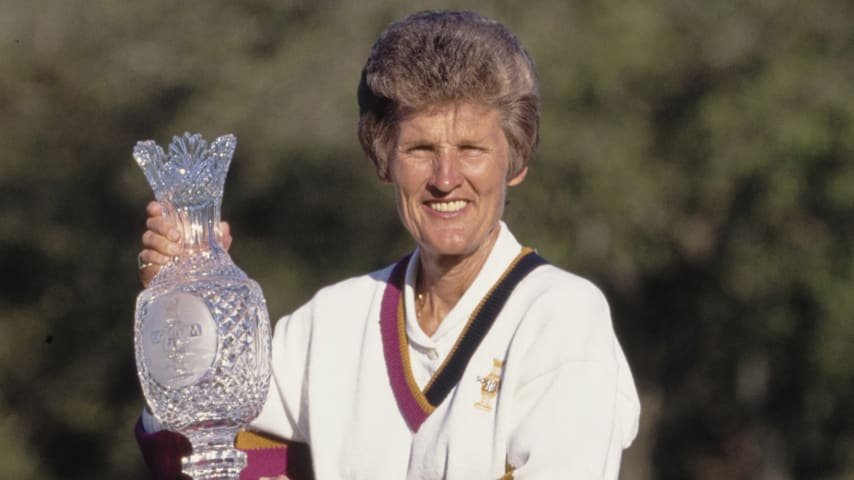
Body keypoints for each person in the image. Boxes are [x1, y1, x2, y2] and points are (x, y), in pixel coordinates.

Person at [135, 9, 640, 480]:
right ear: (384, 161)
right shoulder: (332, 322)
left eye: (471, 149)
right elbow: (196, 449)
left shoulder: (560, 317)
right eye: (420, 149)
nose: (446, 178)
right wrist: (179, 309)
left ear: (516, 162)